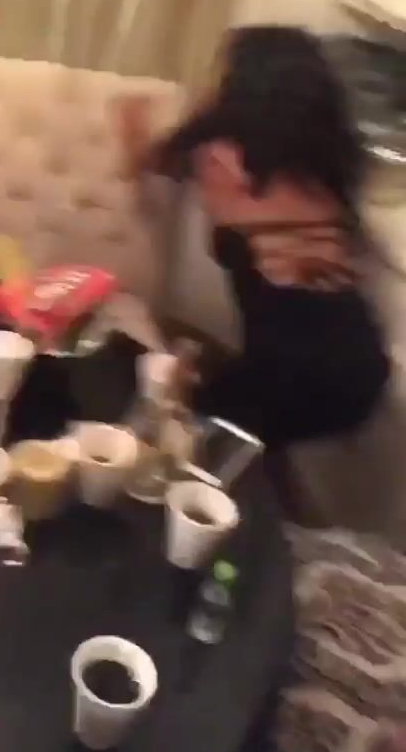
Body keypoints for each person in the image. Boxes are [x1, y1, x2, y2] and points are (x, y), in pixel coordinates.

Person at [117, 25, 390, 451]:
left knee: (152, 416)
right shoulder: (325, 160)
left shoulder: (219, 156)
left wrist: (131, 121)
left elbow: (150, 161)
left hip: (288, 376)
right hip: (362, 370)